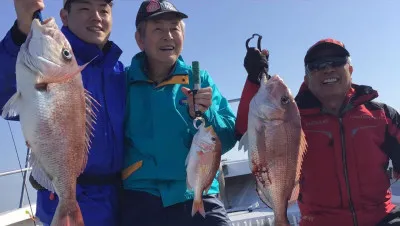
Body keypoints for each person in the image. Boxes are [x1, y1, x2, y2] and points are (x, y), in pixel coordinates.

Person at [235, 37, 400, 226]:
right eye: (316, 65)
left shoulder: (382, 115)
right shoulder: (294, 119)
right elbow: (245, 130)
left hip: (381, 218)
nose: (327, 69)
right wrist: (254, 79)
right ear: (306, 79)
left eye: (337, 62)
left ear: (350, 70)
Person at [0, 0, 126, 225]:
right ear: (65, 16)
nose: (96, 16)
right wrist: (21, 31)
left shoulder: (122, 73)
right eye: (85, 8)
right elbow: (5, 97)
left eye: (104, 10)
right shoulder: (38, 59)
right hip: (60, 200)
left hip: (119, 205)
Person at [121, 0, 237, 225]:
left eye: (175, 28)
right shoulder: (123, 82)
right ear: (139, 39)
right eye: (158, 29)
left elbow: (229, 138)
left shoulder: (200, 79)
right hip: (142, 196)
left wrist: (208, 112)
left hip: (198, 194)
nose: (168, 36)